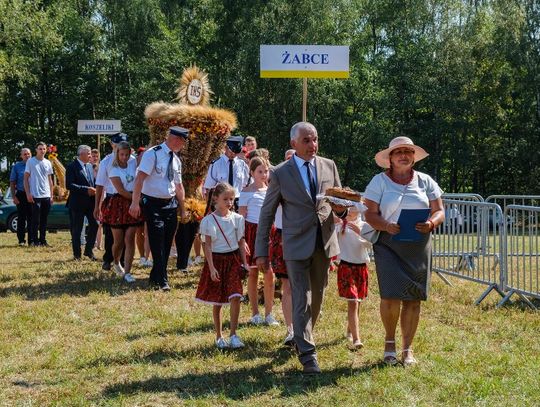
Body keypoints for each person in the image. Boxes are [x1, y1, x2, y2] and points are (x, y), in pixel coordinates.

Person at [254, 122, 347, 374]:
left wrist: (342, 209)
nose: (312, 145)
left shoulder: (329, 165)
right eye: (307, 140)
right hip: (295, 243)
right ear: (294, 143)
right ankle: (308, 354)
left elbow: (339, 201)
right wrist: (261, 250)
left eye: (315, 139)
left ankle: (302, 337)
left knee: (317, 297)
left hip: (324, 242)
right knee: (301, 296)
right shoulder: (282, 173)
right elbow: (267, 213)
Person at [363, 136, 444, 366]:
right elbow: (369, 214)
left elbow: (439, 210)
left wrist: (431, 223)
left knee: (414, 297)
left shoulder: (426, 181)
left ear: (414, 157)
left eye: (408, 151)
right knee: (390, 295)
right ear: (390, 158)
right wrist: (386, 225)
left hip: (419, 245)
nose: (403, 155)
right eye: (398, 152)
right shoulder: (379, 182)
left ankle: (407, 349)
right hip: (388, 244)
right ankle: (389, 344)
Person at [129, 126, 188, 291]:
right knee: (157, 238)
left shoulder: (176, 160)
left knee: (167, 240)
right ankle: (163, 280)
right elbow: (140, 179)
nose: (183, 145)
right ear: (175, 139)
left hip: (170, 203)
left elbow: (179, 186)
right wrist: (135, 202)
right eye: (182, 141)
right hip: (152, 202)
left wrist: (182, 208)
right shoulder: (152, 154)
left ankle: (155, 275)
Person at [195, 182, 249, 349]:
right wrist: (211, 268)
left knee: (235, 296)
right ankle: (219, 336)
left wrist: (245, 263)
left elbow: (241, 242)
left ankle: (233, 334)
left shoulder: (238, 219)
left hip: (233, 260)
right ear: (215, 199)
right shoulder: (208, 221)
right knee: (217, 300)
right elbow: (208, 246)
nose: (229, 202)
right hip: (217, 261)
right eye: (225, 199)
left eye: (231, 199)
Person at [239, 157, 278, 326]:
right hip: (252, 232)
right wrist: (242, 239)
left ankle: (269, 313)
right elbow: (241, 217)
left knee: (270, 273)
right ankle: (255, 313)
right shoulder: (246, 191)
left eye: (266, 171)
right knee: (253, 272)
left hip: (269, 232)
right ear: (252, 173)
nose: (263, 175)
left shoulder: (272, 190)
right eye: (260, 171)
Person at [101, 141, 143, 283]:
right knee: (118, 241)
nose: (124, 157)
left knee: (130, 237)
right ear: (117, 154)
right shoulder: (112, 167)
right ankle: (116, 261)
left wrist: (136, 200)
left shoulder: (133, 162)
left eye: (127, 154)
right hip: (118, 204)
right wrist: (137, 199)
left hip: (133, 202)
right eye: (122, 154)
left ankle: (128, 272)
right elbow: (121, 190)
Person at [94, 133, 133, 270]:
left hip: (129, 199)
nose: (120, 147)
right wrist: (97, 206)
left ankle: (122, 262)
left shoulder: (132, 160)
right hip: (112, 198)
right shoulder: (106, 161)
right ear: (112, 144)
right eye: (117, 145)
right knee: (112, 233)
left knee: (127, 235)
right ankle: (108, 259)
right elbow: (100, 185)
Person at [269, 148, 296, 346]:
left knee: (306, 286)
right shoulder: (276, 180)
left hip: (306, 235)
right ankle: (291, 330)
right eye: (288, 159)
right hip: (283, 235)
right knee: (287, 285)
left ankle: (304, 327)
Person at [334, 206, 371, 350]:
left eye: (353, 208)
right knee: (353, 301)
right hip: (345, 267)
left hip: (361, 267)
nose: (349, 210)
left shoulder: (364, 225)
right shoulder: (340, 225)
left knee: (358, 301)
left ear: (359, 210)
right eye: (347, 208)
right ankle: (356, 339)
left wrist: (359, 232)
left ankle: (350, 329)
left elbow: (370, 244)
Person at [66, 145, 98, 260]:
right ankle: (77, 255)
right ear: (81, 154)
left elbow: (92, 183)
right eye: (88, 153)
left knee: (95, 225)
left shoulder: (89, 166)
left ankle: (88, 251)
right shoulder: (71, 166)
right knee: (77, 229)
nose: (91, 156)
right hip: (77, 203)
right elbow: (69, 185)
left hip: (90, 203)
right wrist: (86, 190)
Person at [203, 135, 249, 212]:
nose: (233, 154)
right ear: (226, 148)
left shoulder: (242, 164)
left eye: (236, 152)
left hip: (237, 202)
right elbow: (209, 187)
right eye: (231, 151)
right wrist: (210, 208)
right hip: (221, 201)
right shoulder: (216, 164)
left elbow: (247, 186)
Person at [24, 142, 54, 247]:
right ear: (36, 150)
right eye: (40, 149)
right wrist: (28, 193)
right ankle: (33, 241)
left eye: (44, 149)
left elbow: (50, 180)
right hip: (35, 195)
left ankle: (43, 240)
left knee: (44, 220)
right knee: (35, 220)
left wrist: (51, 195)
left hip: (46, 195)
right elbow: (25, 178)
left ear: (46, 150)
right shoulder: (30, 162)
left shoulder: (48, 162)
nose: (42, 151)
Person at [9, 148, 32, 246]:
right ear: (21, 156)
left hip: (33, 194)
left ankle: (32, 240)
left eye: (28, 154)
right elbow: (12, 182)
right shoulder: (17, 166)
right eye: (25, 154)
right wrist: (14, 197)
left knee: (33, 218)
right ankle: (21, 240)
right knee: (22, 218)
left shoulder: (34, 164)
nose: (27, 156)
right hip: (21, 194)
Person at [91, 148, 103, 251]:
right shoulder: (88, 168)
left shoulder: (101, 167)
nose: (95, 158)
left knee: (100, 222)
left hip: (100, 196)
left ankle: (99, 243)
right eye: (93, 156)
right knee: (92, 222)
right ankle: (93, 242)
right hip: (90, 197)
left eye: (96, 156)